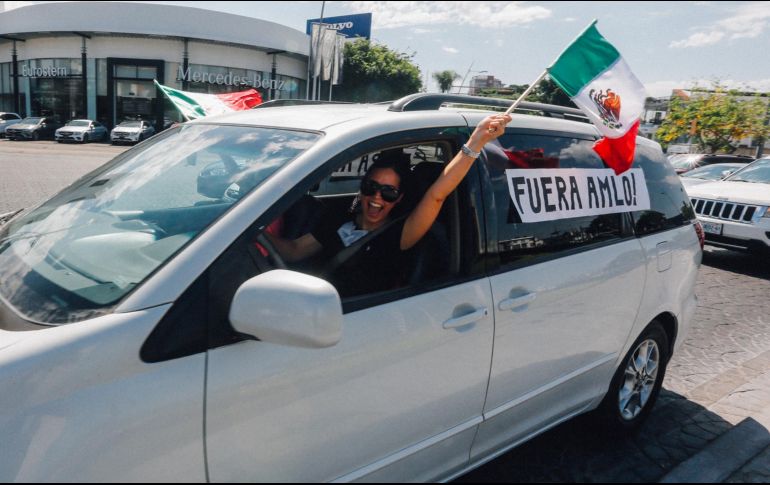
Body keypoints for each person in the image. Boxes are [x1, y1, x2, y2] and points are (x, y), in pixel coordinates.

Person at [266, 113, 512, 296]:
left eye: (389, 193)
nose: (377, 198)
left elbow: (437, 194)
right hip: (309, 306)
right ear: (362, 188)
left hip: (360, 318)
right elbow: (295, 250)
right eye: (371, 188)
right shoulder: (339, 216)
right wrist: (256, 237)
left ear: (400, 198)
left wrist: (475, 144)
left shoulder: (400, 234)